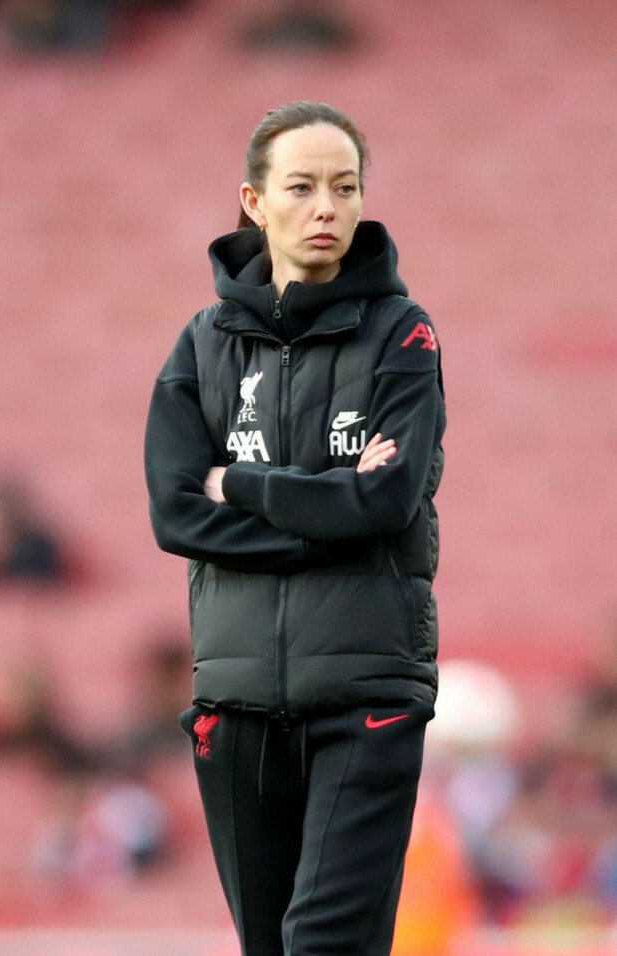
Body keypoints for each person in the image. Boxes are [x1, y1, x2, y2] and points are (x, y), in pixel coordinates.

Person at [144, 100, 446, 956]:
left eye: (345, 188)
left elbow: (387, 505)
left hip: (366, 701)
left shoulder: (404, 334)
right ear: (254, 201)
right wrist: (329, 508)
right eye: (304, 186)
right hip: (233, 704)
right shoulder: (200, 346)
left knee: (324, 944)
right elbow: (174, 514)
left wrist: (237, 483)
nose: (328, 207)